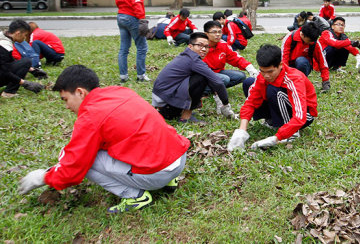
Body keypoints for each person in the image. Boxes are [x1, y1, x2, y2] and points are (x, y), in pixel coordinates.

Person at [17, 65, 190, 213]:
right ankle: (168, 182)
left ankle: (136, 197)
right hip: (178, 158)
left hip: (157, 173)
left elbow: (74, 169)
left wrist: (43, 178)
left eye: (66, 99)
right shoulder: (120, 91)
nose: (67, 106)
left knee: (88, 162)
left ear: (79, 92)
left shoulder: (90, 117)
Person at [227, 44, 318, 151]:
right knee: (249, 83)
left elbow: (300, 116)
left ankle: (292, 132)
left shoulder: (294, 79)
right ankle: (272, 121)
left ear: (280, 65)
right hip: (284, 106)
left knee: (274, 90)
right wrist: (241, 131)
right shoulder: (262, 76)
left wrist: (277, 137)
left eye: (270, 71)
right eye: (262, 71)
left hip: (304, 115)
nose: (266, 76)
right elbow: (250, 102)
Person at [152, 32, 234, 124]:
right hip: (166, 102)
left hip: (162, 100)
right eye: (199, 45)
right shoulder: (194, 60)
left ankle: (178, 110)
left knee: (202, 77)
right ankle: (185, 117)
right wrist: (225, 105)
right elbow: (218, 82)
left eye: (206, 46)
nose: (203, 49)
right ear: (190, 46)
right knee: (202, 78)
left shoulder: (186, 55)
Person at [115, 0, 149, 83]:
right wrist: (142, 19)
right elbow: (137, 0)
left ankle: (123, 76)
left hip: (121, 16)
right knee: (142, 47)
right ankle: (141, 75)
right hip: (131, 16)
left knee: (124, 48)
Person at [203, 20, 258, 90]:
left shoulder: (223, 45)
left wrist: (249, 67)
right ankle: (204, 91)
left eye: (219, 32)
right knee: (225, 79)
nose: (217, 34)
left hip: (218, 72)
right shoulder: (201, 46)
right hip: (203, 74)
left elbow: (235, 58)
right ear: (206, 34)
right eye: (214, 32)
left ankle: (216, 89)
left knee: (240, 76)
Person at [1, 19, 45, 98]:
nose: (25, 38)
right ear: (18, 33)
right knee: (27, 61)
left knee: (25, 63)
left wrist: (32, 70)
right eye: (25, 35)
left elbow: (9, 61)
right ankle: (9, 92)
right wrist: (24, 83)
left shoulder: (3, 37)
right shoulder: (4, 46)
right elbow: (4, 71)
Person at [281, 21, 330, 92]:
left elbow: (322, 62)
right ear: (303, 35)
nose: (311, 42)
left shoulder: (314, 42)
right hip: (289, 67)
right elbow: (284, 59)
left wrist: (326, 81)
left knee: (301, 61)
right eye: (309, 40)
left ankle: (300, 83)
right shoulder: (289, 37)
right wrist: (284, 78)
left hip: (304, 65)